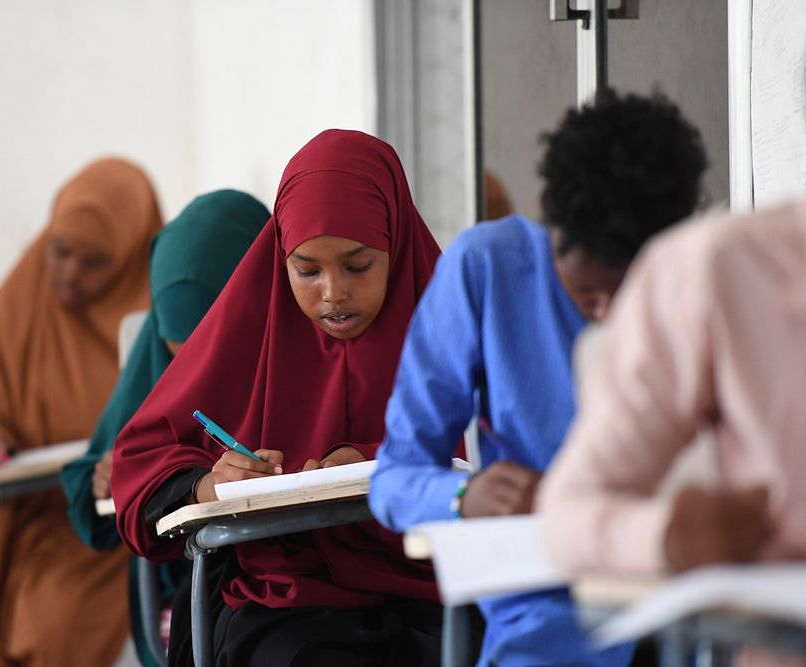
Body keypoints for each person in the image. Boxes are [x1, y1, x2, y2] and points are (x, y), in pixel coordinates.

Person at [368, 90, 708, 666]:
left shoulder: (704, 279)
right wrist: (463, 494)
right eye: (587, 293)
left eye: (632, 291)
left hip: (690, 595)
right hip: (552, 617)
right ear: (548, 213)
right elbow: (395, 479)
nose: (607, 316)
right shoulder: (486, 271)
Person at [111, 129, 453, 667]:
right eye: (306, 270)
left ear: (397, 241)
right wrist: (209, 482)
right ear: (280, 258)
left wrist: (371, 461)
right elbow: (137, 467)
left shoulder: (448, 321)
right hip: (288, 592)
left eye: (358, 265)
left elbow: (499, 452)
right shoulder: (249, 327)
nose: (333, 293)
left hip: (432, 576)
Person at [0, 157, 162, 666]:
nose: (68, 274)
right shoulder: (23, 300)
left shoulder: (160, 308)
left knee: (58, 620)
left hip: (120, 518)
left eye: (94, 262)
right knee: (25, 607)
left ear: (130, 255)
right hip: (33, 521)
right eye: (59, 252)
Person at [537, 198, 806, 594]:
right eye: (588, 296)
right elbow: (566, 513)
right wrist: (673, 536)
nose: (607, 315)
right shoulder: (719, 268)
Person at [60, 189, 270, 665]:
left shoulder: (304, 338)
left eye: (205, 344)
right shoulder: (153, 352)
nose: (188, 370)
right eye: (174, 348)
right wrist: (106, 476)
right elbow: (93, 483)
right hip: (190, 579)